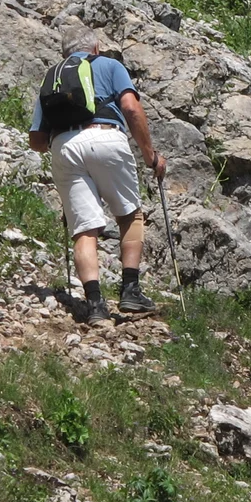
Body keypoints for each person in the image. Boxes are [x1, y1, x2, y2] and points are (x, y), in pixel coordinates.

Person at [27, 29, 166, 324]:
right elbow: (130, 108)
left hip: (64, 147)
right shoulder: (109, 65)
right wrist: (150, 155)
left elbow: (36, 141)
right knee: (129, 215)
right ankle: (130, 291)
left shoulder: (52, 77)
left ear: (66, 54)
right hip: (105, 137)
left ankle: (95, 306)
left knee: (85, 229)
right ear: (96, 48)